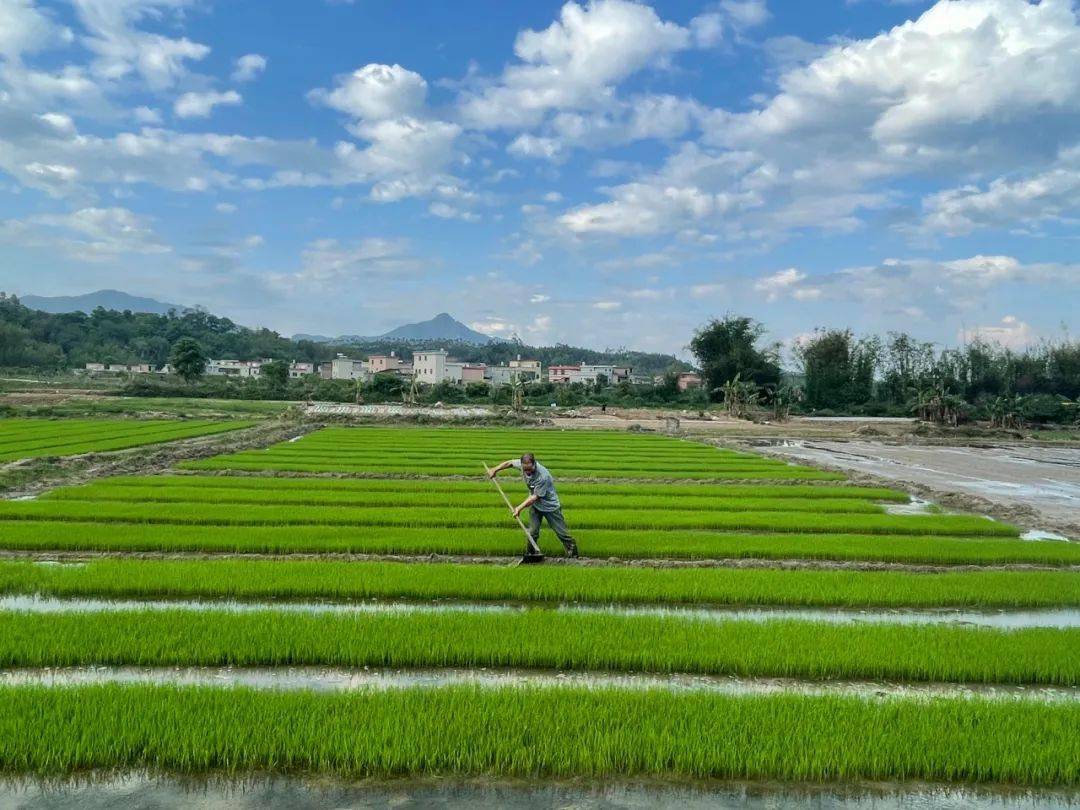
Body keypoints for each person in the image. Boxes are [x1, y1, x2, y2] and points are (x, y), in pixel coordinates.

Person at [488, 452, 580, 558]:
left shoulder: (543, 476)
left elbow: (534, 497)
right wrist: (495, 469)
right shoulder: (523, 465)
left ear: (534, 463)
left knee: (562, 534)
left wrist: (519, 508)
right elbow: (509, 463)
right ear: (522, 464)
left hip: (550, 507)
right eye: (525, 469)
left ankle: (573, 555)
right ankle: (531, 554)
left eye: (529, 469)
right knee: (532, 532)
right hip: (536, 506)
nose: (527, 472)